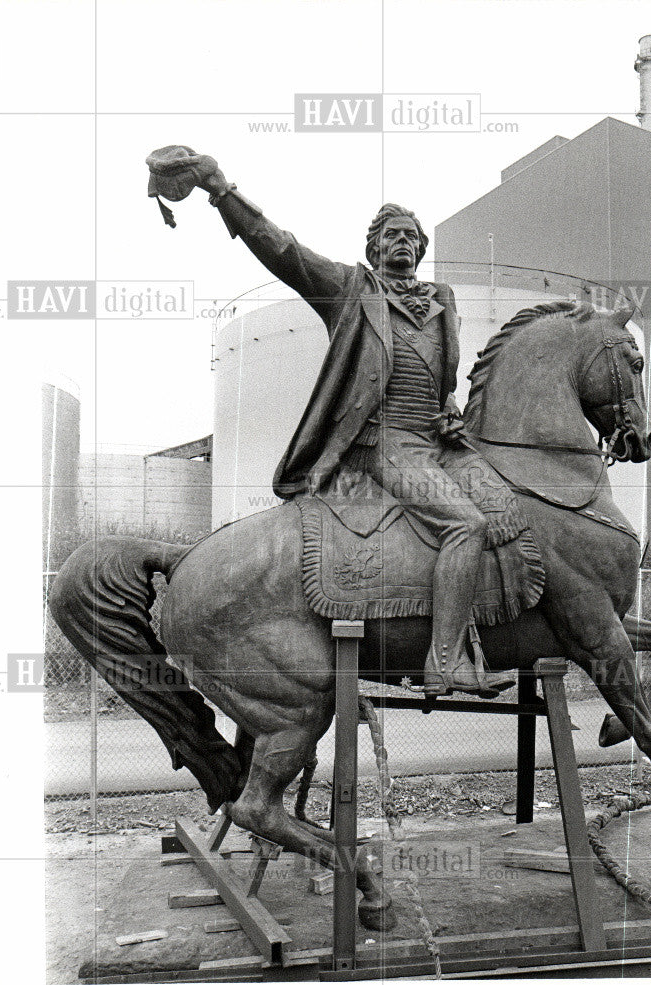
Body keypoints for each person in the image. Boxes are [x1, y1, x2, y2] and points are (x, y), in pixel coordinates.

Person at [161, 149, 514, 698]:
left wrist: (449, 415)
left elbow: (442, 385)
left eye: (411, 237)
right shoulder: (352, 291)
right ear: (373, 247)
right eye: (391, 235)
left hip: (434, 443)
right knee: (466, 524)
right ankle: (443, 663)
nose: (403, 242)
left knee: (513, 511)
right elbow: (284, 251)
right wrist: (221, 191)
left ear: (421, 249)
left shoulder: (441, 303)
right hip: (383, 446)